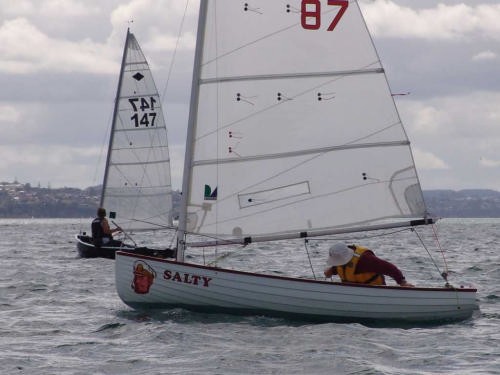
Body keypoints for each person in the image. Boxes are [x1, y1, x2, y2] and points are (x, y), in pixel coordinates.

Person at [323, 242, 414, 287]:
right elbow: (339, 267)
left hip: (376, 291)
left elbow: (390, 268)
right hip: (353, 293)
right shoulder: (342, 260)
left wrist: (402, 282)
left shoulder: (365, 260)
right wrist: (330, 271)